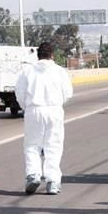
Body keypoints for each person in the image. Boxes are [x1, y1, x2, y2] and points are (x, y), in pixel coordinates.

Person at [15, 41, 74, 195]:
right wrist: (57, 103)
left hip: (34, 110)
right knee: (53, 146)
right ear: (52, 55)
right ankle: (53, 181)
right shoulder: (59, 71)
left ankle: (33, 175)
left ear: (38, 55)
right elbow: (67, 93)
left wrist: (27, 107)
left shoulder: (27, 71)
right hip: (54, 110)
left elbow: (19, 93)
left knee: (32, 145)